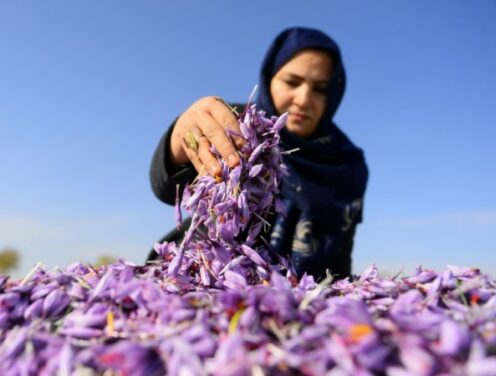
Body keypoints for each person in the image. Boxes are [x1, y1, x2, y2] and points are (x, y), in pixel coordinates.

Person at [149, 27, 368, 281]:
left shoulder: (346, 163)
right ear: (269, 78)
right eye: (292, 82)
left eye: (320, 88)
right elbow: (166, 187)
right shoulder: (235, 124)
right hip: (199, 276)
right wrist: (181, 136)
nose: (304, 99)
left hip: (297, 297)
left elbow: (340, 251)